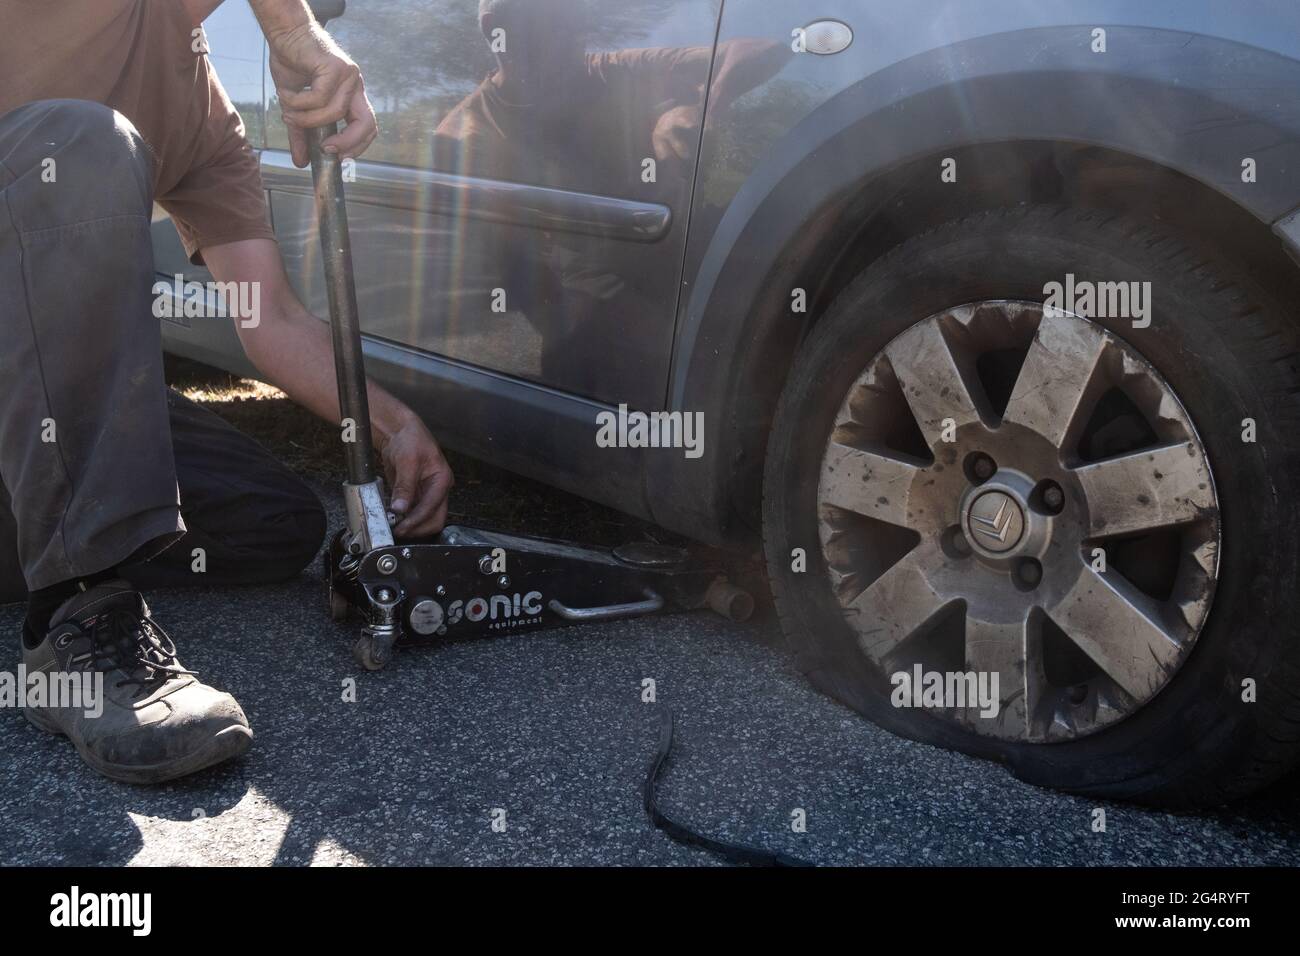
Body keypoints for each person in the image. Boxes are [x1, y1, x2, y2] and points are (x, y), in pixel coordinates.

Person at [0, 0, 453, 783]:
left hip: (35, 395)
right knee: (79, 137)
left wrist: (395, 427)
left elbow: (268, 316)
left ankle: (46, 528)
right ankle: (75, 612)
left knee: (271, 521)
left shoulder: (205, 117)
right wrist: (291, 31)